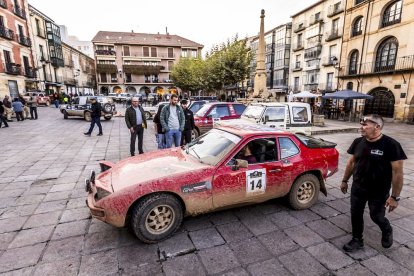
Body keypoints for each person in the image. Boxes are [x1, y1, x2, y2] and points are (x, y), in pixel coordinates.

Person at [340, 114, 407, 252]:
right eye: (361, 123)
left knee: (376, 216)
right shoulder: (358, 142)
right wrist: (345, 180)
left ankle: (387, 229)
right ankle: (357, 240)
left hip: (379, 190)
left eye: (365, 124)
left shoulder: (391, 145)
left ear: (377, 126)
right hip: (358, 187)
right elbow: (351, 162)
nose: (361, 127)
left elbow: (397, 173)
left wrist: (394, 197)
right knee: (355, 213)